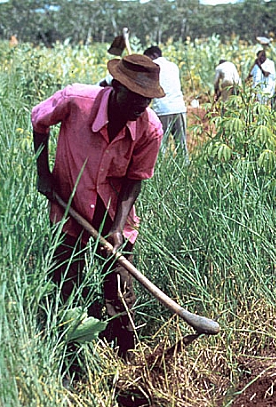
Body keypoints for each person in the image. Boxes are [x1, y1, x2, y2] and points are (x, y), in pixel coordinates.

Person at [31, 54, 165, 360]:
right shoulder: (76, 101)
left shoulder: (150, 128)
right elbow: (39, 121)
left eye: (147, 99)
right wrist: (43, 173)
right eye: (134, 96)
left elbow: (135, 180)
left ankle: (127, 355)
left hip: (115, 210)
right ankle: (64, 348)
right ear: (116, 86)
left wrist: (117, 229)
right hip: (70, 204)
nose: (140, 105)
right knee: (65, 278)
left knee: (119, 283)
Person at [143, 46, 189, 163]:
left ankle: (161, 169)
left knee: (160, 144)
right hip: (179, 108)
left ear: (153, 56)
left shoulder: (152, 67)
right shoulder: (174, 66)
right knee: (181, 144)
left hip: (162, 109)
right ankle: (185, 168)